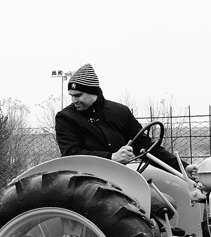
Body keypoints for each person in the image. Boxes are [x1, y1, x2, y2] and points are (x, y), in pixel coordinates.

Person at [55, 63, 197, 178]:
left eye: (78, 95)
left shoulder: (120, 112)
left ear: (93, 91)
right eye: (71, 96)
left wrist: (183, 168)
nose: (74, 100)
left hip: (121, 178)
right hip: (86, 179)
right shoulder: (66, 118)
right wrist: (111, 157)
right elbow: (71, 154)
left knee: (166, 204)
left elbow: (147, 147)